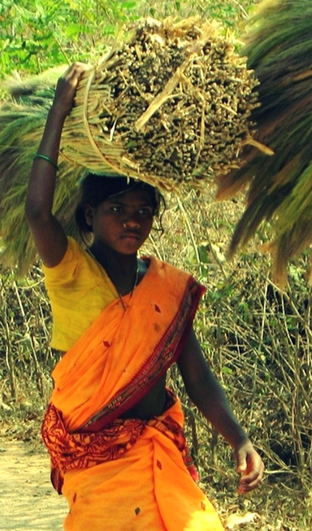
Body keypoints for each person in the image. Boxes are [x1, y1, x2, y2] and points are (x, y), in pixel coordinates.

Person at [26, 64, 263, 530]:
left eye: (143, 211)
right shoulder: (71, 269)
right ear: (90, 215)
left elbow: (196, 375)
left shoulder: (165, 287)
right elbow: (37, 210)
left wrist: (239, 439)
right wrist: (59, 110)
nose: (132, 221)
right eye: (117, 210)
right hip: (99, 465)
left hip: (158, 449)